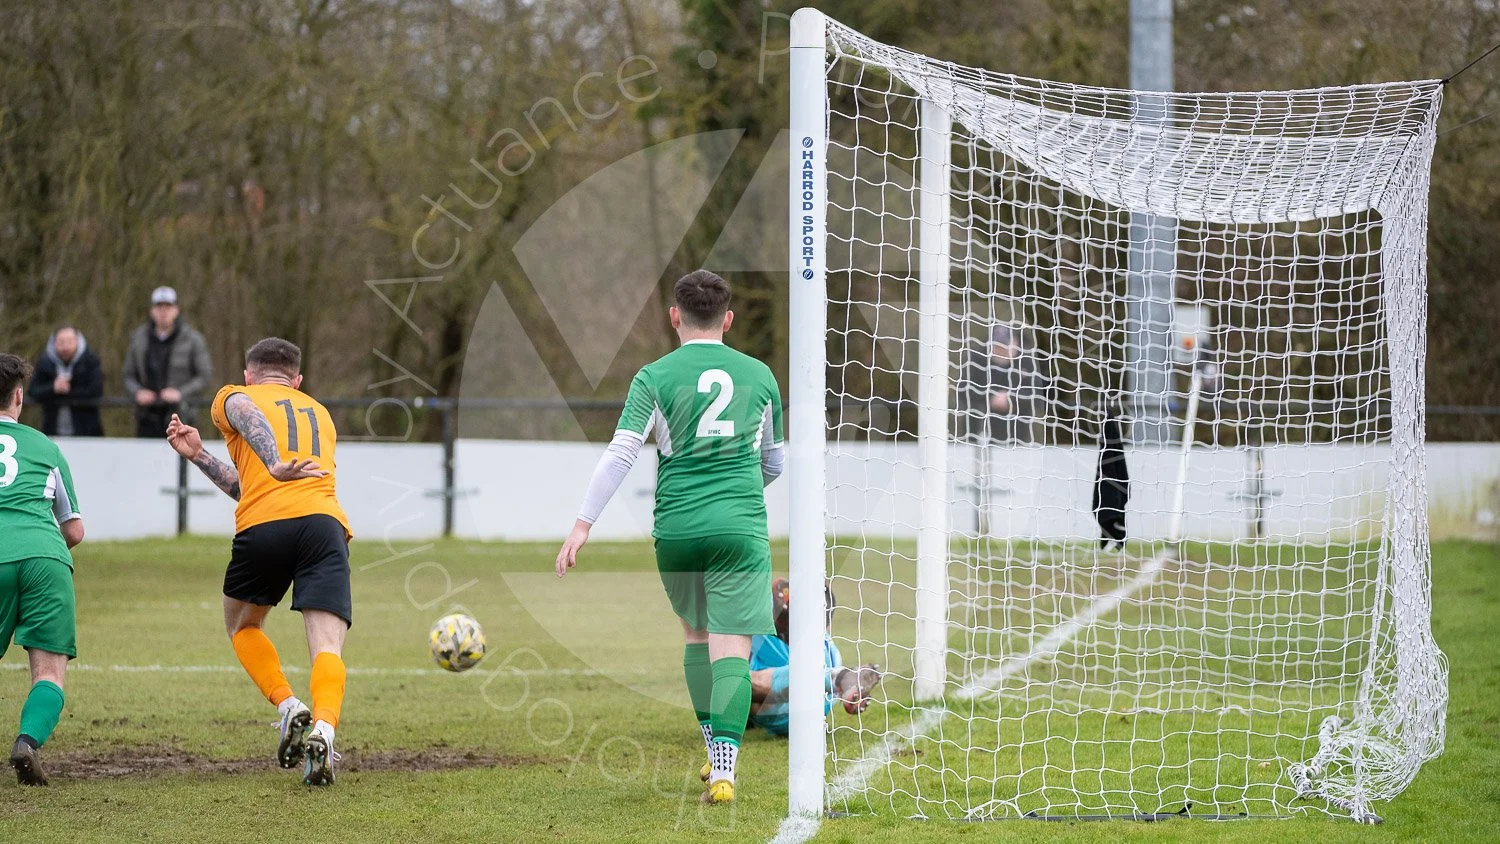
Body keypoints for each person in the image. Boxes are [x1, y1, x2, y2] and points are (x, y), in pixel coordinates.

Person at [555, 270, 784, 805]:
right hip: (739, 527)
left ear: (674, 316)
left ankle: (712, 746)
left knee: (697, 637)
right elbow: (773, 459)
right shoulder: (761, 375)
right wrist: (741, 488)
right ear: (728, 319)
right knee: (733, 644)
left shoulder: (652, 377)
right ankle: (725, 767)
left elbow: (621, 452)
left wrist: (584, 522)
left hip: (678, 528)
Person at [163, 337, 351, 787]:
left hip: (264, 526)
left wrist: (274, 463)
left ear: (248, 374)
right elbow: (248, 484)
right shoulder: (320, 414)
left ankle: (289, 707)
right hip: (325, 525)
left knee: (243, 626)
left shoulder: (232, 396)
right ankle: (323, 728)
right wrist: (200, 455)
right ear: (298, 380)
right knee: (327, 645)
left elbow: (250, 420)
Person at [0, 353, 87, 786]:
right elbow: (74, 530)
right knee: (49, 673)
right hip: (44, 556)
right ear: (19, 396)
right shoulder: (46, 447)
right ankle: (27, 743)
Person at [738, 579, 881, 743]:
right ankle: (838, 680)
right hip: (810, 698)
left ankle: (836, 679)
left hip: (792, 713)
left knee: (734, 683)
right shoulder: (829, 652)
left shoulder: (819, 654)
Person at [123, 286, 214, 438]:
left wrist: (180, 393)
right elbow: (128, 375)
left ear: (176, 310)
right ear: (152, 311)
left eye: (168, 306)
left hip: (181, 416)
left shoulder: (192, 339)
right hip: (146, 416)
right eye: (159, 307)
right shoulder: (138, 339)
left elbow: (204, 376)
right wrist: (137, 392)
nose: (163, 311)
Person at [959, 324, 1046, 444]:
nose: (1000, 350)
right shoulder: (976, 359)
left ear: (1016, 342)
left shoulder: (1027, 361)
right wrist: (990, 398)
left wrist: (1010, 399)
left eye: (1004, 345)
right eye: (996, 345)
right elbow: (963, 391)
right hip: (978, 431)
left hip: (1017, 434)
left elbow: (1036, 395)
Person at [28, 326, 105, 437]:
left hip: (87, 432)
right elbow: (33, 391)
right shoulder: (44, 362)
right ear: (54, 343)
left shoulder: (91, 360)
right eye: (61, 342)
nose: (65, 346)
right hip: (52, 431)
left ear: (77, 341)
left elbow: (96, 391)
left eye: (69, 341)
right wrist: (53, 388)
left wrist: (67, 391)